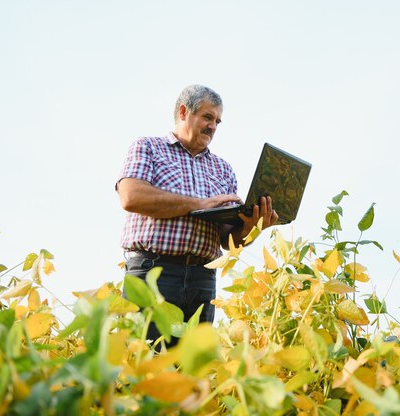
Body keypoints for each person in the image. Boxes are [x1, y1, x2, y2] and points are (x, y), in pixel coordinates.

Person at [116, 84, 278, 347]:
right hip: (154, 272)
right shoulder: (149, 148)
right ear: (183, 112)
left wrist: (253, 226)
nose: (213, 126)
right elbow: (131, 197)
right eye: (207, 117)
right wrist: (200, 204)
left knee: (192, 372)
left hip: (202, 280)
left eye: (217, 121)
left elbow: (228, 241)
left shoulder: (223, 169)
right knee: (144, 362)